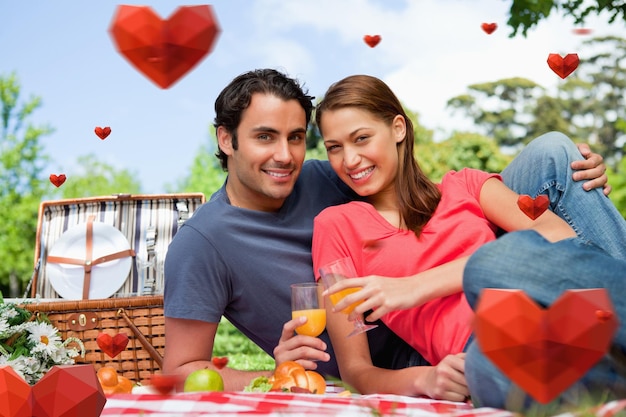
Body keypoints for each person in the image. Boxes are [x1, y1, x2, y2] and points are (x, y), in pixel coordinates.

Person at [162, 68, 611, 391]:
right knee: (526, 351)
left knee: (556, 154)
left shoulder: (329, 174)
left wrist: (581, 181)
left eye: (297, 137)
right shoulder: (207, 243)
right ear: (226, 139)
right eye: (264, 137)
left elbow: (421, 194)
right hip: (419, 351)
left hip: (507, 291)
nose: (284, 156)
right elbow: (179, 370)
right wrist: (279, 373)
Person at [311, 74, 626, 403]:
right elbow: (356, 370)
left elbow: (558, 238)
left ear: (398, 129)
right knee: (486, 361)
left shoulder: (467, 186)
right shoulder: (336, 227)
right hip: (489, 348)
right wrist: (427, 378)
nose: (348, 160)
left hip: (566, 305)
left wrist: (415, 286)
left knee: (490, 265)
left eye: (361, 139)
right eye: (334, 148)